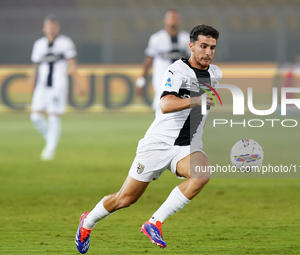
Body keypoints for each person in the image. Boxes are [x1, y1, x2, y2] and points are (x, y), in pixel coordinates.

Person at [75, 24, 221, 254]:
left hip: (186, 146)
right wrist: (196, 100)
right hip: (158, 144)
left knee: (202, 175)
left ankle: (154, 222)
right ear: (191, 46)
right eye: (203, 46)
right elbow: (165, 104)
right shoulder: (176, 71)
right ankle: (88, 221)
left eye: (212, 47)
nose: (208, 52)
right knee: (125, 199)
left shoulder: (215, 74)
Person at [29, 15, 84, 160]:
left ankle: (49, 151)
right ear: (44, 28)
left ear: (57, 27)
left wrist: (77, 83)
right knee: (35, 116)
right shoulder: (39, 44)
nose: (51, 29)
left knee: (53, 115)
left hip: (58, 85)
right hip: (42, 85)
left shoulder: (65, 43)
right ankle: (50, 140)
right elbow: (36, 64)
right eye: (48, 26)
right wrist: (32, 77)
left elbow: (72, 64)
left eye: (54, 26)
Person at [136, 9, 191, 110]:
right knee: (161, 103)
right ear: (165, 20)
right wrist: (141, 81)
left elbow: (193, 60)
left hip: (182, 77)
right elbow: (148, 60)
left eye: (175, 18)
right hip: (162, 77)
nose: (173, 20)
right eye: (170, 18)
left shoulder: (186, 38)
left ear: (179, 20)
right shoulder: (157, 38)